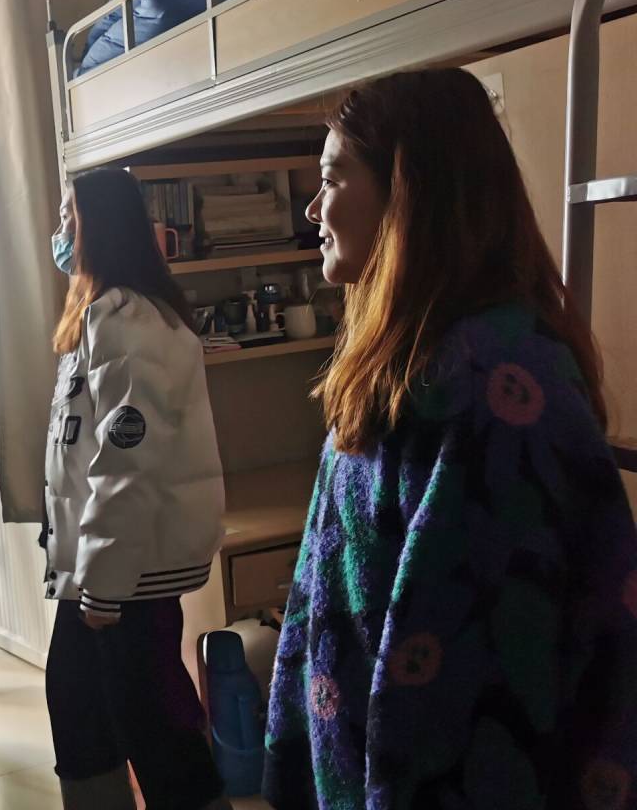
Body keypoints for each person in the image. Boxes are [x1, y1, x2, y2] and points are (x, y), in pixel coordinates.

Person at [264, 70, 637, 809]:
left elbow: (464, 685)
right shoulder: (411, 360)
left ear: (409, 193)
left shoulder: (489, 385)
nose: (313, 208)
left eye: (332, 178)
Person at [44, 167, 229, 810]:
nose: (59, 231)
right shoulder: (99, 316)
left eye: (68, 217)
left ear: (101, 227)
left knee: (153, 728)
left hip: (127, 574)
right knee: (83, 714)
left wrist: (103, 584)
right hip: (102, 567)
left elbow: (126, 463)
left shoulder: (129, 321)